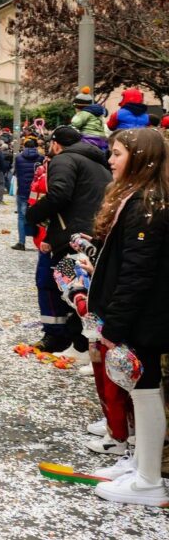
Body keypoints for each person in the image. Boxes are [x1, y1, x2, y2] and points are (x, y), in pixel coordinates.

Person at [86, 128, 169, 506]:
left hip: (146, 319)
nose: (111, 160)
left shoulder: (147, 204)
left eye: (117, 153)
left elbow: (137, 273)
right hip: (140, 316)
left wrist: (114, 324)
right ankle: (139, 464)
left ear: (140, 158)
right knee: (141, 392)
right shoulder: (139, 198)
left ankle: (149, 479)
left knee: (147, 393)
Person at [25, 126, 110, 354]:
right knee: (81, 289)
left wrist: (34, 214)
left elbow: (60, 194)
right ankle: (78, 341)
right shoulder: (98, 163)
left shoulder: (63, 160)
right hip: (93, 234)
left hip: (71, 237)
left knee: (63, 287)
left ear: (55, 144)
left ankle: (71, 341)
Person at [12, 137, 43, 250]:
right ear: (36, 147)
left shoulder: (19, 158)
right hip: (37, 192)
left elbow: (15, 172)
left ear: (24, 147)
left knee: (21, 216)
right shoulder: (41, 158)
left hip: (23, 191)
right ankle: (41, 241)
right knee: (40, 217)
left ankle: (21, 242)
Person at [70, 87, 109, 152]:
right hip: (101, 138)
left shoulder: (84, 113)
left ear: (78, 107)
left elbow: (75, 123)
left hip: (89, 138)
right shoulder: (97, 113)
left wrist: (75, 117)